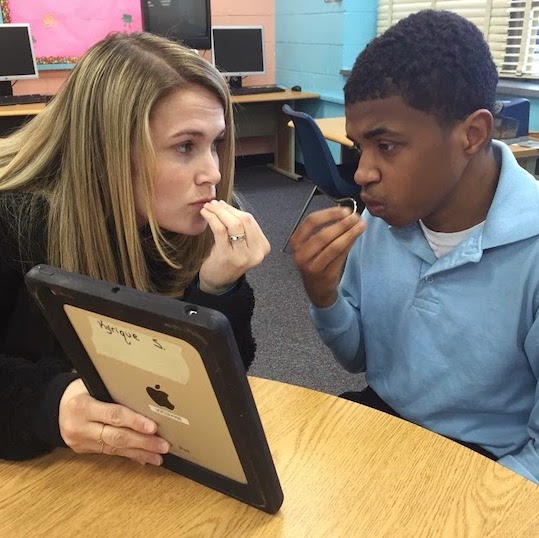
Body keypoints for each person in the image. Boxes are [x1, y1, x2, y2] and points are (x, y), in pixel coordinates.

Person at [290, 10, 539, 485]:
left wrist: (456, 510)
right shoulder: (383, 219)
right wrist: (325, 297)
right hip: (383, 422)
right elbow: (360, 358)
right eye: (360, 147)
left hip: (485, 463)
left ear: (472, 135)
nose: (362, 172)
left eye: (387, 146)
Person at [0, 32, 270, 465]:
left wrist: (217, 289)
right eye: (185, 146)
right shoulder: (13, 217)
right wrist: (49, 404)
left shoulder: (195, 220)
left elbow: (216, 389)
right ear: (106, 151)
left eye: (215, 143)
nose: (213, 174)